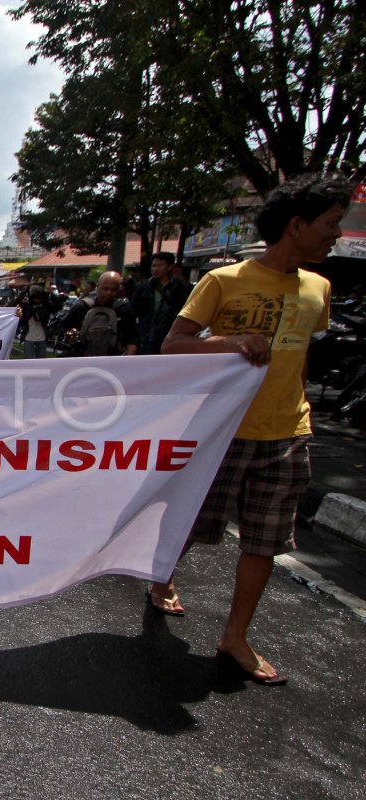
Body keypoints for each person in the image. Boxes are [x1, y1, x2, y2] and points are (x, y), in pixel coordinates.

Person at [148, 174, 349, 687]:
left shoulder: (318, 288)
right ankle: (161, 575)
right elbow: (174, 346)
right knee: (193, 523)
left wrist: (298, 410)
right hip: (221, 431)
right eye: (330, 225)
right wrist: (231, 341)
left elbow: (300, 359)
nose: (337, 235)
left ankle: (236, 635)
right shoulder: (224, 280)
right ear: (297, 225)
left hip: (287, 433)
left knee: (264, 540)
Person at [53, 271, 140, 356]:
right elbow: (61, 329)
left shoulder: (123, 308)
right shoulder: (82, 306)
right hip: (82, 358)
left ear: (119, 289)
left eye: (113, 289)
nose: (109, 293)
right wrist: (70, 336)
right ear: (97, 286)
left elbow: (133, 339)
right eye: (105, 288)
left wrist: (127, 361)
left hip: (113, 360)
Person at [131, 252, 190, 354]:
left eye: (160, 265)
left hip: (168, 336)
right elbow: (133, 310)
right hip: (147, 336)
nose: (155, 269)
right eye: (154, 266)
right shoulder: (144, 288)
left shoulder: (178, 288)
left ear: (169, 267)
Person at [17, 285, 53, 358]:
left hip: (42, 338)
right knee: (29, 362)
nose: (37, 300)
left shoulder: (45, 307)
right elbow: (17, 302)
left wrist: (50, 293)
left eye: (39, 297)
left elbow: (58, 306)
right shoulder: (27, 307)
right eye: (35, 297)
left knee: (41, 362)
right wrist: (25, 291)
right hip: (28, 338)